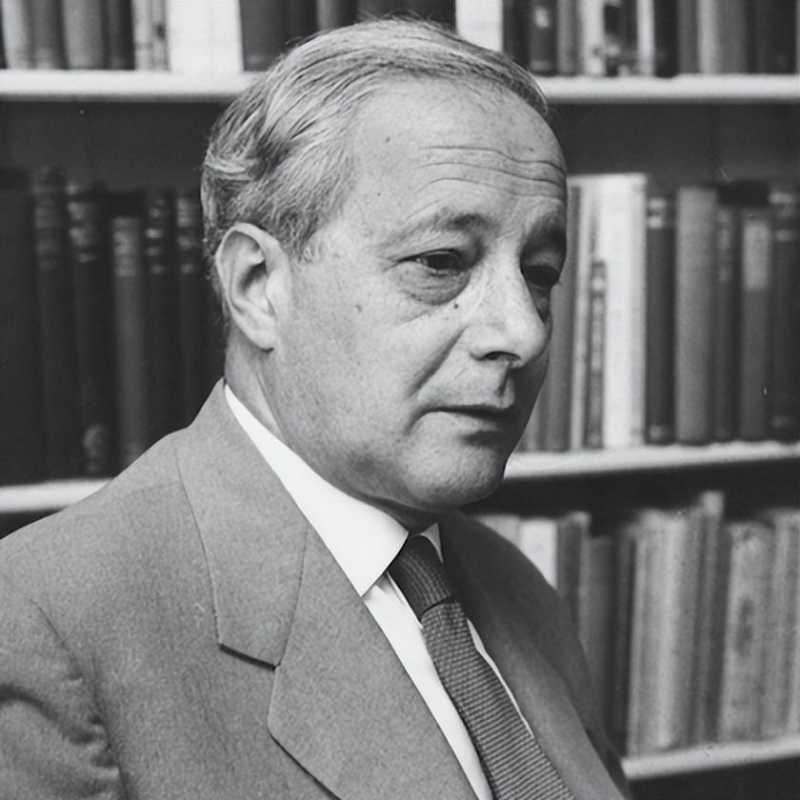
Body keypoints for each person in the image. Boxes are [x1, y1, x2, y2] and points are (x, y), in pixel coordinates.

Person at [0, 19, 629, 800]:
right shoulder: (46, 623)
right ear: (258, 286)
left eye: (540, 273)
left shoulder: (517, 586)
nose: (523, 332)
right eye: (441, 262)